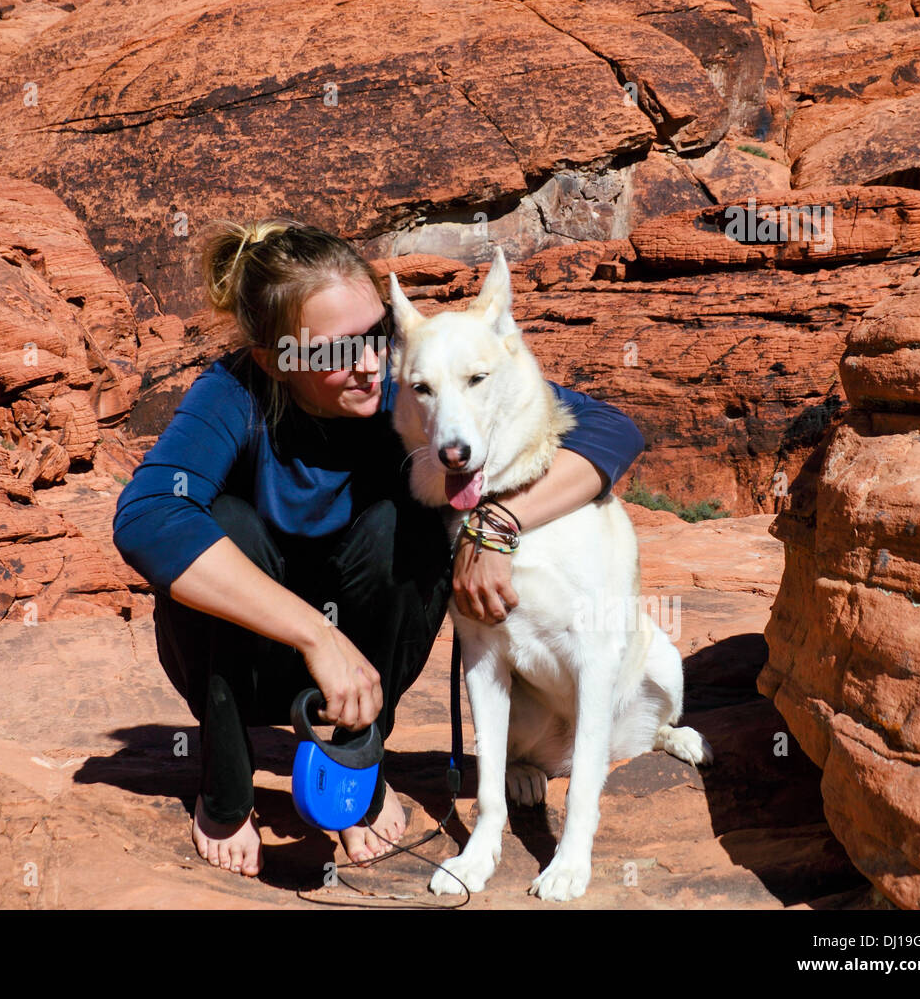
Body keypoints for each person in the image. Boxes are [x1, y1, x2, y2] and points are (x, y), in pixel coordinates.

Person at [112, 218, 646, 877]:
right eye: (334, 352)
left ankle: (355, 762)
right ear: (276, 360)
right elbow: (147, 516)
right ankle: (227, 781)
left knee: (408, 521)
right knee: (224, 522)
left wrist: (497, 522)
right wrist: (316, 637)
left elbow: (610, 429)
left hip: (367, 658)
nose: (368, 364)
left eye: (376, 336)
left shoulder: (414, 386)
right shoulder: (232, 395)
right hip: (245, 661)